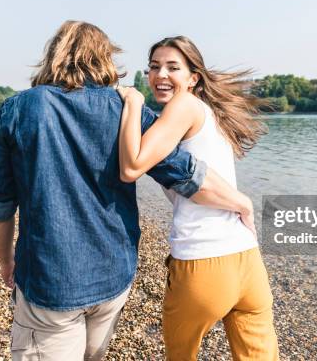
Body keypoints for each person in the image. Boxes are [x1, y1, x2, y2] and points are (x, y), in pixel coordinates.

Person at [0, 21, 256, 361]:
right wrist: (241, 201)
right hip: (113, 275)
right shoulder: (126, 110)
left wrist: (6, 260)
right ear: (106, 59)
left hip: (49, 278)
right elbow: (186, 175)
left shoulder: (18, 109)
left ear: (54, 55)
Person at [117, 36, 279, 360]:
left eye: (172, 67)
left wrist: (133, 104)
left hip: (202, 262)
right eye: (154, 67)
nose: (160, 74)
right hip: (247, 259)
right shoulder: (209, 113)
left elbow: (132, 166)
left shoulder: (184, 105)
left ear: (193, 78)